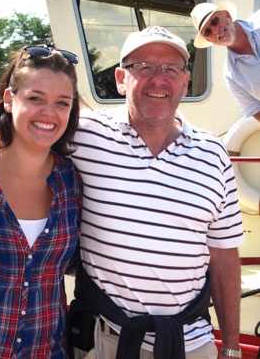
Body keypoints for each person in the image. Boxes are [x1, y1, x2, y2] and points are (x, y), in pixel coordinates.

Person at [68, 26, 244, 359]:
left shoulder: (213, 153)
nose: (158, 79)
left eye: (171, 69)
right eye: (144, 67)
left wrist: (232, 348)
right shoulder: (84, 136)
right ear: (121, 78)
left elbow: (223, 258)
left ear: (185, 81)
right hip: (107, 340)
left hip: (191, 344)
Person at [0, 45, 82, 358]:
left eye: (62, 103)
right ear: (9, 100)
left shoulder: (71, 182)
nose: (49, 113)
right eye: (35, 98)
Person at [190, 0, 260, 122]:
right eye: (207, 32)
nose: (216, 30)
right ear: (209, 41)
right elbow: (256, 111)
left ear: (227, 14)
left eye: (215, 20)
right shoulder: (231, 76)